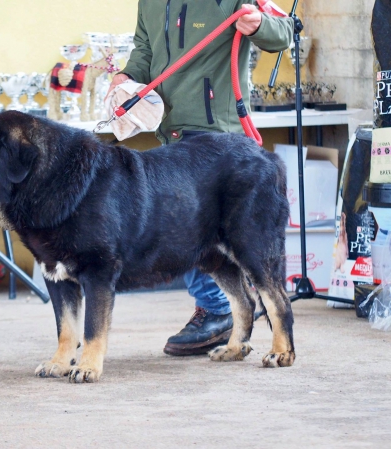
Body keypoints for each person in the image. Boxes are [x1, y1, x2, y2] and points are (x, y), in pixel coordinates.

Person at [107, 0, 293, 356]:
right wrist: (126, 77)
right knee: (186, 234)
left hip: (218, 137)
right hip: (172, 134)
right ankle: (223, 313)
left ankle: (218, 312)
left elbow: (283, 33)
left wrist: (258, 26)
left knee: (215, 239)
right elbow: (145, 48)